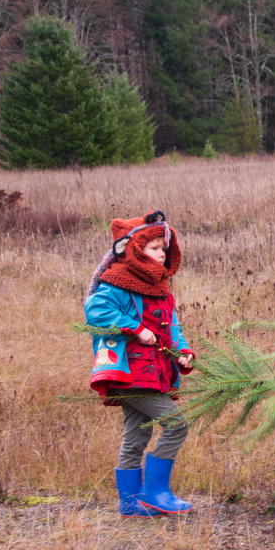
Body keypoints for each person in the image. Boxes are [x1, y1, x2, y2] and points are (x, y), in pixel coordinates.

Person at [85, 211, 195, 516]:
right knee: (176, 424)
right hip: (131, 373)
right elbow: (96, 312)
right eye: (154, 248)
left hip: (155, 372)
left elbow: (173, 327)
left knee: (136, 435)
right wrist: (135, 328)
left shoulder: (160, 289)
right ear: (135, 250)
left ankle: (130, 503)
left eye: (163, 248)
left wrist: (183, 351)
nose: (162, 254)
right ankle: (155, 492)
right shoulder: (118, 283)